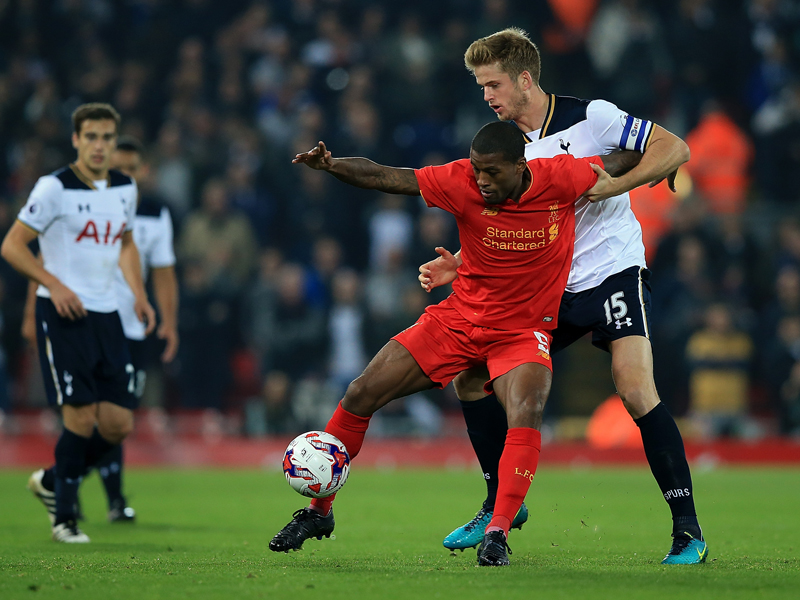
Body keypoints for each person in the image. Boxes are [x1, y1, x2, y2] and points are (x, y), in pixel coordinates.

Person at [269, 122, 643, 567]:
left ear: (520, 166)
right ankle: (318, 512)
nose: (480, 179)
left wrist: (659, 155)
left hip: (523, 330)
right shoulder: (459, 179)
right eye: (477, 169)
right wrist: (332, 166)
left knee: (526, 411)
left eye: (491, 172)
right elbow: (388, 176)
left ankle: (498, 531)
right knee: (360, 392)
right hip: (457, 319)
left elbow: (621, 161)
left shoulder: (560, 177)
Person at [416, 28, 706, 565]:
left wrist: (609, 186)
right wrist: (461, 263)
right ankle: (497, 503)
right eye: (481, 86)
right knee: (471, 377)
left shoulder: (591, 118)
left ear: (525, 79)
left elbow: (674, 147)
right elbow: (497, 219)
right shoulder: (502, 150)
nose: (487, 96)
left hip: (612, 270)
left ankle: (687, 530)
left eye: (494, 84)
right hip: (548, 285)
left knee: (634, 385)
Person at [1, 103, 155, 542]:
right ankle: (64, 517)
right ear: (76, 140)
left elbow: (125, 244)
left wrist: (139, 295)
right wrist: (54, 284)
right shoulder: (54, 188)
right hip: (63, 312)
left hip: (108, 314)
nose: (100, 145)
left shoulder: (125, 187)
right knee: (80, 418)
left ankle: (51, 480)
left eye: (107, 137)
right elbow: (12, 245)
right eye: (91, 137)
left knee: (118, 425)